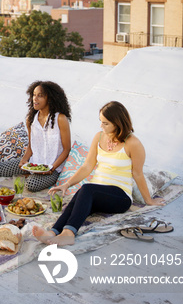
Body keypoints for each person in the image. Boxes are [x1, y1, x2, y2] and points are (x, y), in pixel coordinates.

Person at [33, 100, 166, 245]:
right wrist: (67, 184)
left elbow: (138, 174)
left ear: (118, 123)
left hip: (120, 196)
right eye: (100, 121)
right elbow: (87, 166)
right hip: (96, 192)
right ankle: (52, 232)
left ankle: (68, 234)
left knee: (87, 189)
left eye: (105, 123)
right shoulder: (99, 137)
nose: (101, 126)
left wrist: (149, 200)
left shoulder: (133, 143)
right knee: (79, 196)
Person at [0, 80, 72, 192]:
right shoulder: (31, 119)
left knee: (31, 184)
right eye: (34, 95)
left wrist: (51, 168)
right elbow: (31, 146)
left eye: (40, 96)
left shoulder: (60, 119)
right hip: (34, 163)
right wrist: (24, 160)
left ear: (50, 99)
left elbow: (66, 149)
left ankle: (32, 176)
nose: (35, 98)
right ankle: (27, 172)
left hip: (53, 167)